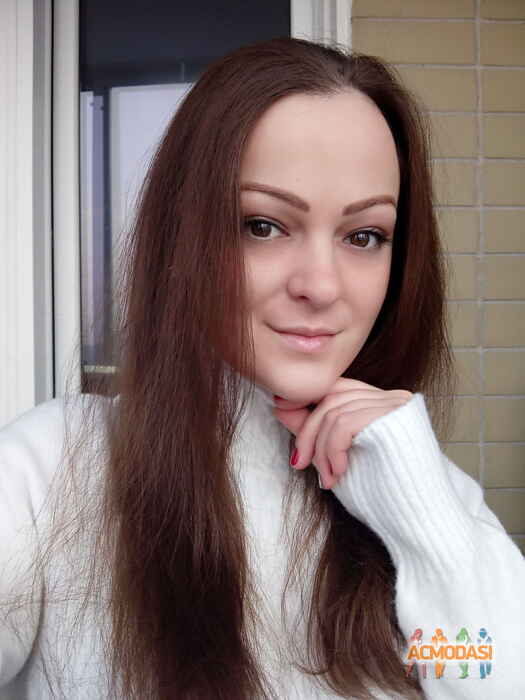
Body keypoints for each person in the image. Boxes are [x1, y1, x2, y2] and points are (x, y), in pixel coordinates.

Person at [0, 36, 524, 700]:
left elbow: (490, 677)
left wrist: (425, 523)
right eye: (263, 226)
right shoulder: (51, 468)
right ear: (185, 236)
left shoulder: (428, 492)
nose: (321, 285)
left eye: (363, 236)